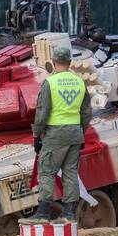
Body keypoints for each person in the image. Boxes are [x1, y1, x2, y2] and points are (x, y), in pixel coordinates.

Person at [29, 45, 92, 223]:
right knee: (70, 172)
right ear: (70, 62)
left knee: (47, 171)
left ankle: (42, 213)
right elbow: (86, 113)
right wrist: (81, 132)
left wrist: (36, 135)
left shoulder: (50, 82)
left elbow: (42, 112)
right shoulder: (80, 82)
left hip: (55, 133)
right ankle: (69, 213)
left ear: (54, 62)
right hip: (75, 132)